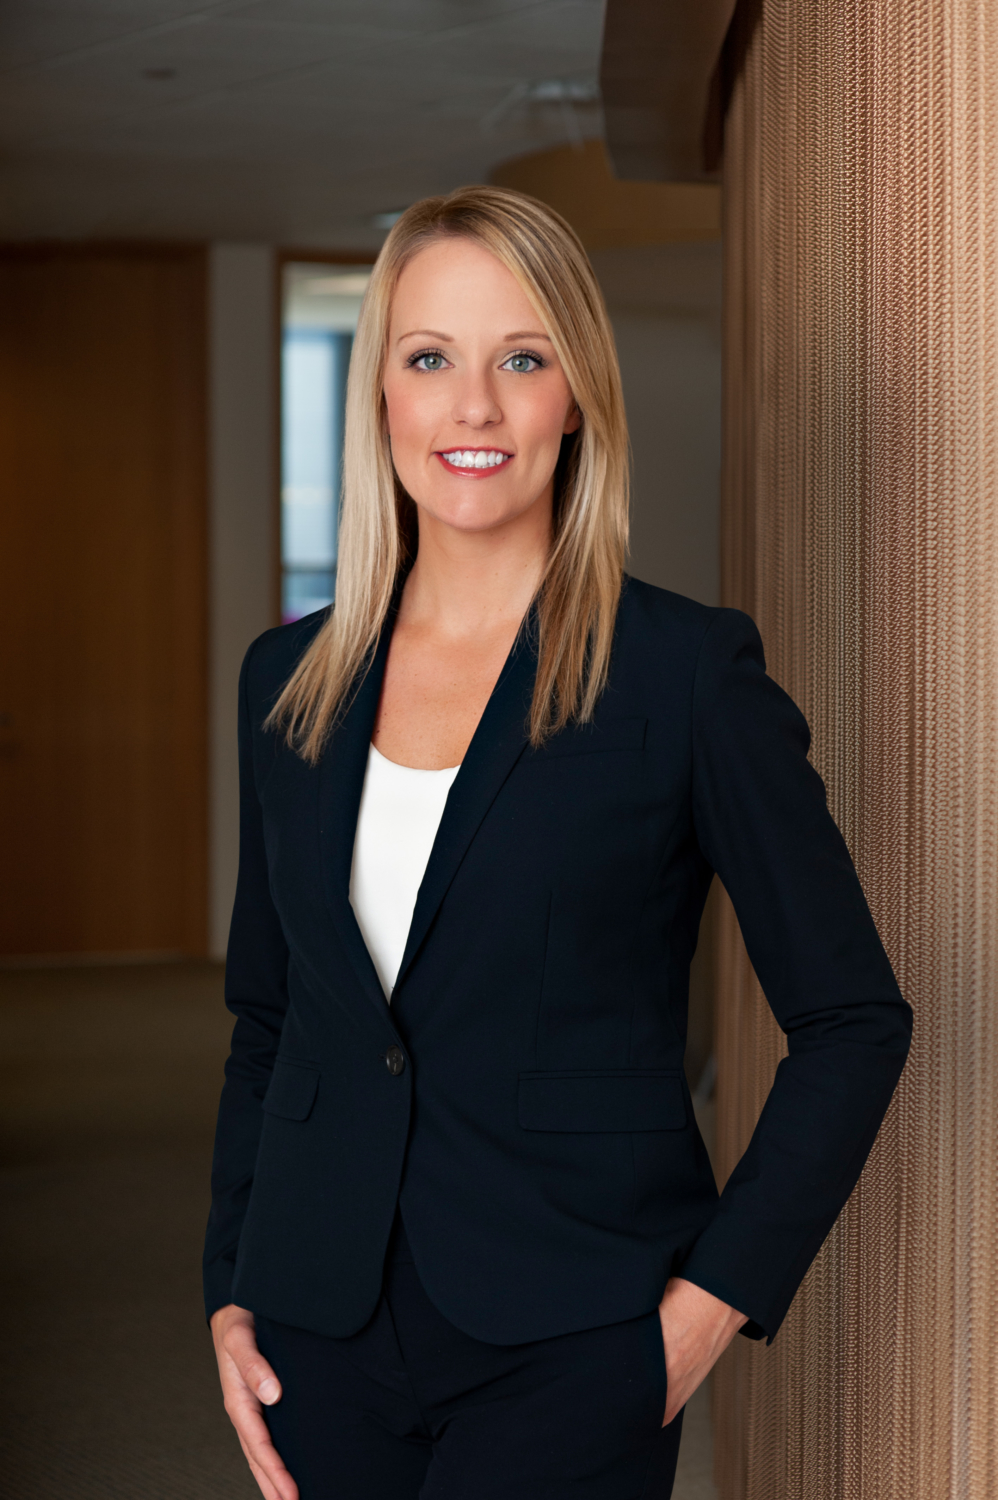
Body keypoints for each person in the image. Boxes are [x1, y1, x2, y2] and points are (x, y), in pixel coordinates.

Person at [205, 186, 911, 1500]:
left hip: (573, 1339)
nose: (471, 406)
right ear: (381, 401)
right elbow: (271, 1015)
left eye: (519, 359)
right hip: (317, 1325)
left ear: (575, 396)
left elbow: (853, 1020)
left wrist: (701, 1316)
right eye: (429, 359)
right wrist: (230, 1291)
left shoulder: (683, 676)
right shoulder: (284, 680)